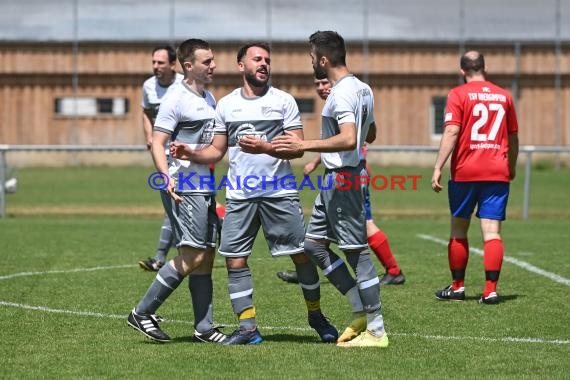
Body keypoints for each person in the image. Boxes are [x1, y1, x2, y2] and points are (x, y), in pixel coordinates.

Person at [171, 42, 338, 345]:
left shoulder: (284, 101)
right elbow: (216, 151)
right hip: (240, 196)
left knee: (301, 256)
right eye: (257, 59)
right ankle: (248, 328)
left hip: (280, 194)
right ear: (241, 66)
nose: (264, 64)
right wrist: (191, 152)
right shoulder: (226, 105)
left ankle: (316, 314)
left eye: (267, 60)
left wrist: (266, 147)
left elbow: (297, 148)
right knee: (235, 260)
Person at [272, 30, 389, 348]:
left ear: (323, 60)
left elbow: (351, 138)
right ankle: (359, 309)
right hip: (335, 180)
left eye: (312, 58)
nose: (311, 63)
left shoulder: (341, 94)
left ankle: (376, 330)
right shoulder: (363, 88)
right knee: (312, 246)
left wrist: (305, 144)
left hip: (344, 180)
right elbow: (371, 133)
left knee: (356, 252)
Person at [127, 38, 227, 344]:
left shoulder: (209, 98)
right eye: (206, 61)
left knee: (206, 256)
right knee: (193, 254)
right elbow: (158, 142)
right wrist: (166, 177)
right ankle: (142, 312)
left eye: (213, 60)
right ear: (188, 66)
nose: (213, 65)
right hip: (184, 185)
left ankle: (204, 329)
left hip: (204, 185)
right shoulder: (175, 98)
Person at [277, 77, 405, 286]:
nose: (321, 88)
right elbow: (340, 140)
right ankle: (307, 270)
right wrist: (317, 161)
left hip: (350, 173)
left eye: (325, 82)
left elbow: (348, 140)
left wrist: (304, 148)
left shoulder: (343, 99)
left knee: (366, 225)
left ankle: (392, 271)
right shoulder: (341, 100)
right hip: (342, 172)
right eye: (317, 84)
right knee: (319, 233)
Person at [431, 50, 519, 305]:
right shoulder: (505, 96)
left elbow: (451, 132)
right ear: (485, 67)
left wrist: (438, 166)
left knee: (459, 227)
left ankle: (458, 287)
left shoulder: (458, 94)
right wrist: (511, 166)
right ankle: (490, 290)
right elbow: (513, 138)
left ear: (462, 71)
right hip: (497, 171)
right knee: (492, 232)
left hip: (466, 172)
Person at [138, 45, 184, 272]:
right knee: (172, 205)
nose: (156, 66)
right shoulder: (148, 86)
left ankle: (162, 258)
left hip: (183, 157)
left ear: (173, 64)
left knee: (183, 203)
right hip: (161, 155)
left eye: (161, 62)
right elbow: (146, 112)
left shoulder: (184, 85)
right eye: (153, 62)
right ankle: (168, 256)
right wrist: (149, 135)